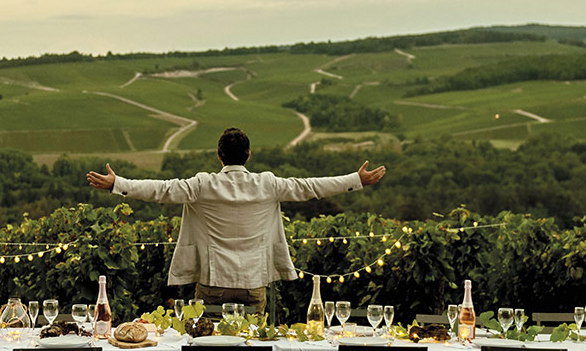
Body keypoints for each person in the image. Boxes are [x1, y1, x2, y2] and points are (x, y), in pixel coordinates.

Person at [86, 127, 386, 310]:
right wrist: (355, 180)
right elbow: (311, 187)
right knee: (254, 349)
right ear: (249, 155)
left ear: (219, 155)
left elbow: (161, 190)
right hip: (253, 282)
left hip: (212, 282)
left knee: (208, 350)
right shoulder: (268, 184)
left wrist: (118, 184)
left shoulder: (203, 184)